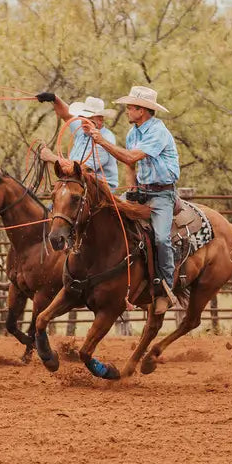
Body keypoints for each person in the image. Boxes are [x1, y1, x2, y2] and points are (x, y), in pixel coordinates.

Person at [85, 86, 180, 315]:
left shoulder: (157, 131)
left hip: (162, 194)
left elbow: (130, 156)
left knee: (161, 239)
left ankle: (166, 290)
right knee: (108, 215)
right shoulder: (133, 133)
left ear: (143, 111)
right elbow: (130, 165)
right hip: (143, 191)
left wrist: (101, 141)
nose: (127, 111)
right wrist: (133, 186)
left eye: (131, 107)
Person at [35, 92, 119, 192]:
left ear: (100, 120)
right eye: (82, 117)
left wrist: (50, 157)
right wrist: (55, 99)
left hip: (99, 192)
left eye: (89, 119)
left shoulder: (105, 140)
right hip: (80, 185)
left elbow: (77, 168)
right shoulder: (82, 127)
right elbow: (66, 114)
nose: (84, 121)